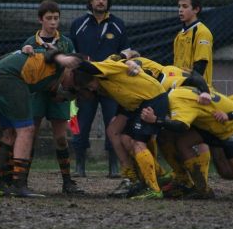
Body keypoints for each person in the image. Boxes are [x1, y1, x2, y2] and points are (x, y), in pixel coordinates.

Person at [67, 56, 169, 200]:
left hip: (151, 98)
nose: (90, 88)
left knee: (138, 143)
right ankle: (131, 177)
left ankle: (154, 188)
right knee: (115, 132)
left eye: (90, 85)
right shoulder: (103, 80)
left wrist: (65, 59)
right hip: (135, 103)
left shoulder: (105, 68)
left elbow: (93, 66)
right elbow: (123, 90)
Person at [0, 49, 81, 197]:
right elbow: (50, 52)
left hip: (0, 75)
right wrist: (62, 58)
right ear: (70, 71)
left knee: (9, 134)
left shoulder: (50, 75)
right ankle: (18, 184)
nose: (67, 88)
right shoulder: (60, 66)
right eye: (71, 86)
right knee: (26, 129)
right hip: (10, 78)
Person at [20, 0, 85, 196]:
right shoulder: (30, 43)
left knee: (61, 138)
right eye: (49, 18)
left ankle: (67, 182)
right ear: (40, 19)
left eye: (56, 18)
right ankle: (22, 180)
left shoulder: (66, 42)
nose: (53, 22)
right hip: (37, 94)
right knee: (30, 135)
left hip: (58, 95)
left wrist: (61, 84)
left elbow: (71, 67)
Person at [69, 0, 129, 178]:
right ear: (90, 1)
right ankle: (79, 166)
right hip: (85, 85)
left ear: (108, 1)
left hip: (111, 85)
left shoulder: (118, 25)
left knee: (113, 124)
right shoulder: (78, 24)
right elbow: (71, 54)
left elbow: (127, 52)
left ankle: (114, 166)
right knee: (81, 124)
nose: (100, 1)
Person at [173, 0, 214, 84]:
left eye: (185, 6)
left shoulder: (202, 32)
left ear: (196, 9)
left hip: (197, 88)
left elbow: (200, 66)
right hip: (180, 84)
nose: (180, 10)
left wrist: (191, 83)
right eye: (179, 6)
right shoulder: (179, 35)